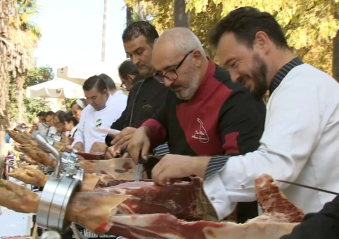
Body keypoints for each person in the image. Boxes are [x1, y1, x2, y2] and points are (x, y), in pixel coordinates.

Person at [145, 7, 339, 221]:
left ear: (262, 42)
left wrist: (192, 165)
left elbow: (272, 171)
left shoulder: (301, 87)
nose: (234, 77)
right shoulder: (290, 87)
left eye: (235, 64)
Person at [125, 27, 266, 222]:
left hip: (229, 220)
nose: (166, 82)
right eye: (161, 74)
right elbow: (162, 119)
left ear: (197, 58)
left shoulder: (236, 95)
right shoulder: (177, 88)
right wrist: (145, 130)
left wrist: (188, 165)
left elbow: (245, 170)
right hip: (185, 212)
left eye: (171, 71)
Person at [108, 21, 171, 158]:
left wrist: (146, 145)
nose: (135, 61)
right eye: (130, 55)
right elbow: (125, 125)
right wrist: (113, 144)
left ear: (157, 44)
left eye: (139, 52)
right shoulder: (137, 88)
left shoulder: (175, 84)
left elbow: (182, 138)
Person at [71, 76, 124, 153]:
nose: (90, 102)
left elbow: (125, 138)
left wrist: (106, 146)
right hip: (88, 160)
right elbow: (80, 132)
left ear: (105, 92)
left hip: (111, 161)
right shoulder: (86, 111)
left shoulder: (120, 107)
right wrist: (78, 143)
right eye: (87, 98)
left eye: (94, 97)